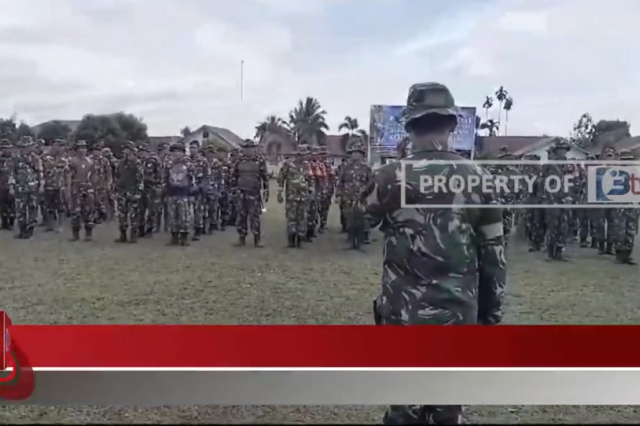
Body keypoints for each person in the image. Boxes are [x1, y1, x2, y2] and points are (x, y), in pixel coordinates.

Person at [355, 82, 506, 425]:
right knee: (446, 407)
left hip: (401, 313)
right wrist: (490, 315)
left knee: (403, 406)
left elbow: (359, 220)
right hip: (457, 313)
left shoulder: (390, 176)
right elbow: (494, 255)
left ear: (409, 127)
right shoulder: (479, 178)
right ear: (452, 126)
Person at [231, 139, 269, 247]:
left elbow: (265, 177)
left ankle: (257, 239)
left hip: (254, 192)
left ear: (254, 149)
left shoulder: (259, 161)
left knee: (254, 217)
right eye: (246, 148)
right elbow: (234, 176)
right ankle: (241, 237)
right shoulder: (239, 161)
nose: (248, 151)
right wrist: (234, 189)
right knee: (241, 216)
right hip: (241, 192)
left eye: (250, 148)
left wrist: (266, 190)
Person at [277, 144, 314, 247]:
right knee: (291, 218)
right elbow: (281, 178)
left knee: (302, 218)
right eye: (301, 155)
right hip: (291, 196)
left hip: (303, 196)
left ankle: (299, 239)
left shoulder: (306, 165)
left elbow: (310, 179)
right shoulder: (288, 164)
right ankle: (291, 240)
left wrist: (311, 190)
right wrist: (280, 192)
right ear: (297, 155)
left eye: (305, 155)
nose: (303, 157)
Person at [164, 142, 195, 246]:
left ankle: (184, 237)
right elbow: (164, 178)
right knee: (172, 216)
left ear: (183, 153)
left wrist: (191, 194)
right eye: (174, 152)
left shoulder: (188, 164)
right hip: (172, 193)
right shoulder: (168, 164)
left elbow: (192, 179)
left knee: (184, 216)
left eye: (179, 152)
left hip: (184, 193)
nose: (176, 154)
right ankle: (174, 237)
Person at [114, 141, 144, 244]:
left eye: (127, 149)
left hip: (133, 191)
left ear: (132, 150)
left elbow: (140, 179)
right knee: (122, 215)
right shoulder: (120, 163)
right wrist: (116, 190)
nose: (125, 151)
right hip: (122, 191)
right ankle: (123, 235)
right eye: (124, 149)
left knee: (133, 215)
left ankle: (133, 236)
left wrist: (138, 192)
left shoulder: (137, 162)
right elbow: (117, 177)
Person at [612, 149, 638, 265]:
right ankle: (619, 254)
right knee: (619, 229)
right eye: (624, 160)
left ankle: (627, 254)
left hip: (633, 205)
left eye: (629, 160)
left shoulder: (635, 173)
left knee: (631, 229)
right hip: (620, 204)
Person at [66, 140, 95, 241]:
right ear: (76, 149)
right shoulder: (72, 162)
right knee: (76, 212)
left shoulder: (90, 162)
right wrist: (68, 190)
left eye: (84, 148)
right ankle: (75, 234)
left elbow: (93, 176)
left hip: (88, 187)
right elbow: (69, 176)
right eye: (80, 148)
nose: (82, 150)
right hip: (76, 188)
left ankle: (88, 233)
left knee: (89, 211)